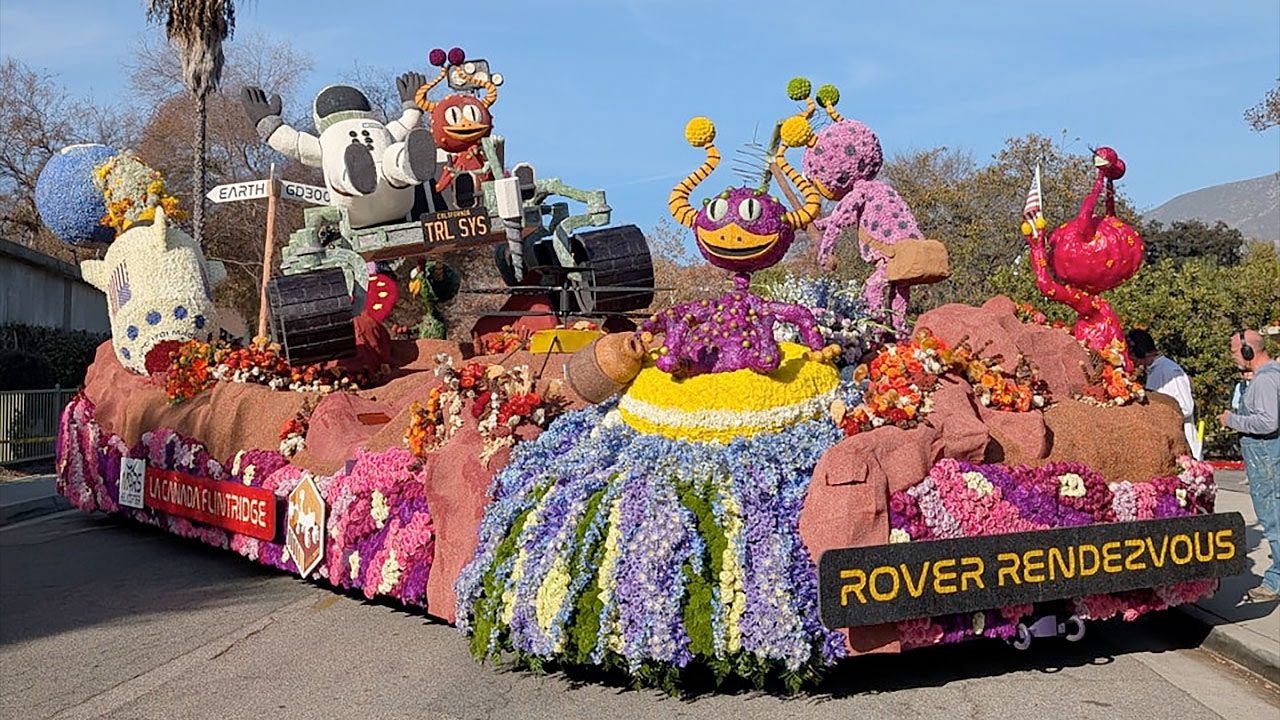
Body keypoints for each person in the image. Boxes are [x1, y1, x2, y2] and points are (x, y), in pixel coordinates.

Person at [1218, 330, 1280, 601]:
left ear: (1247, 351)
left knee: (1273, 519)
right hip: (1267, 456)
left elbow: (1267, 422)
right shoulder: (1272, 374)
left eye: (1234, 352)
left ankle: (1276, 581)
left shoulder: (1265, 381)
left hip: (1265, 457)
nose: (1234, 358)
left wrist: (1232, 420)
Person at [1127, 329, 1201, 460]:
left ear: (1139, 352)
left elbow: (1186, 408)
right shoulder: (1153, 371)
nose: (1131, 360)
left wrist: (1159, 414)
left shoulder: (1169, 371)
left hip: (1182, 444)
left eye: (1131, 355)